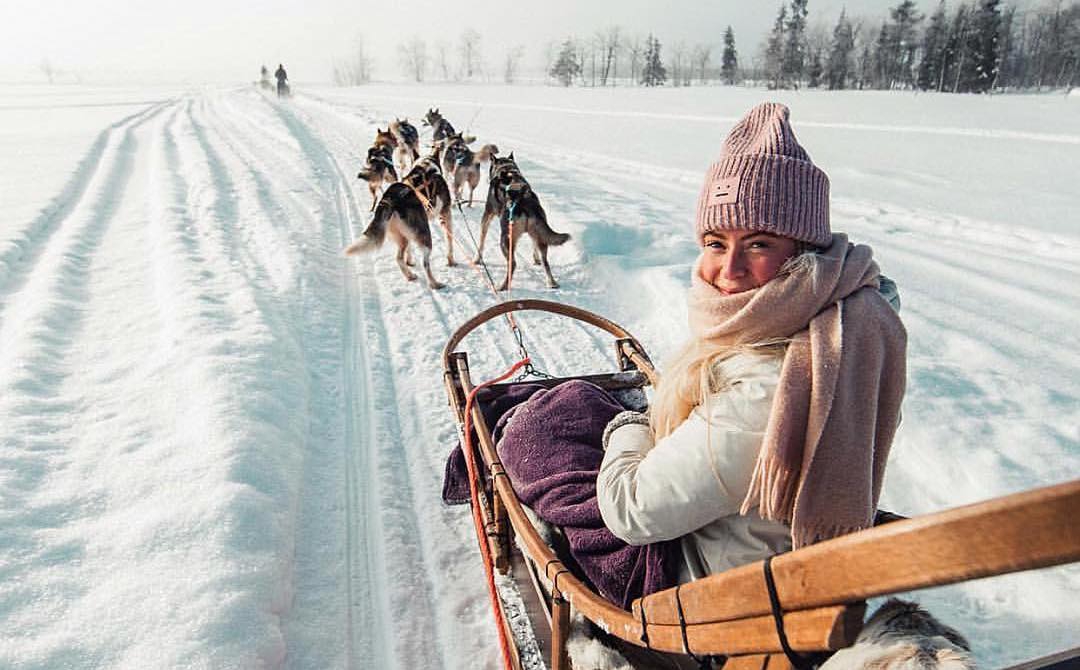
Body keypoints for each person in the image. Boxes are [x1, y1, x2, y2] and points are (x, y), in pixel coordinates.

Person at [596, 102, 907, 584]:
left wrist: (628, 424)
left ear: (804, 252)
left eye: (759, 243)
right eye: (716, 242)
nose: (729, 269)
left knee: (555, 425)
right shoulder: (822, 323)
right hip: (749, 560)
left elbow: (631, 511)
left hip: (714, 595)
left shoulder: (784, 380)